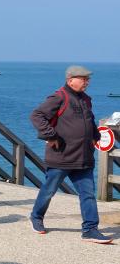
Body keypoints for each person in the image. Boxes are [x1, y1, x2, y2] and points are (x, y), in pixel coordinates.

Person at [29, 65, 112, 244]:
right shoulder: (59, 97)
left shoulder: (86, 100)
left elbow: (88, 121)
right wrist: (51, 135)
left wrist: (96, 137)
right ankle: (36, 217)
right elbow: (37, 116)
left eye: (87, 79)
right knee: (49, 190)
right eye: (83, 79)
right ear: (70, 80)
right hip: (61, 157)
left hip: (84, 157)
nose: (87, 82)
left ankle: (90, 230)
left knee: (88, 194)